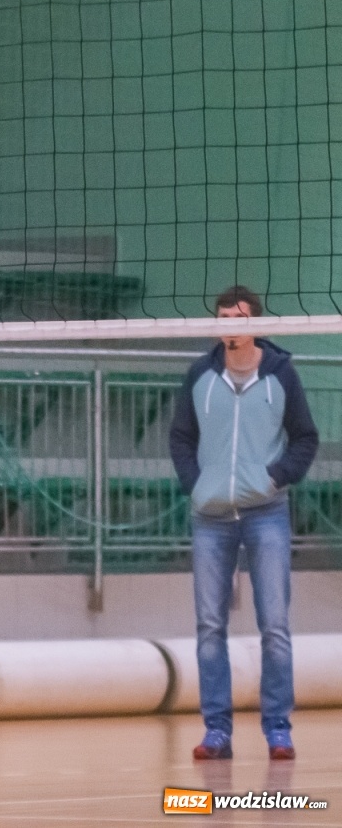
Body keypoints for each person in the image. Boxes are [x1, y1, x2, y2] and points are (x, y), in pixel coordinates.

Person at [169, 284, 317, 761]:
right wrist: (197, 485)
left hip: (266, 514)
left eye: (239, 317)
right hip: (210, 518)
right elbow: (180, 437)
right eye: (224, 318)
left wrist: (274, 479)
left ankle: (278, 729)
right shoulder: (200, 375)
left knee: (273, 624)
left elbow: (305, 438)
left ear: (253, 323)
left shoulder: (280, 376)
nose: (231, 325)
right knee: (210, 627)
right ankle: (217, 732)